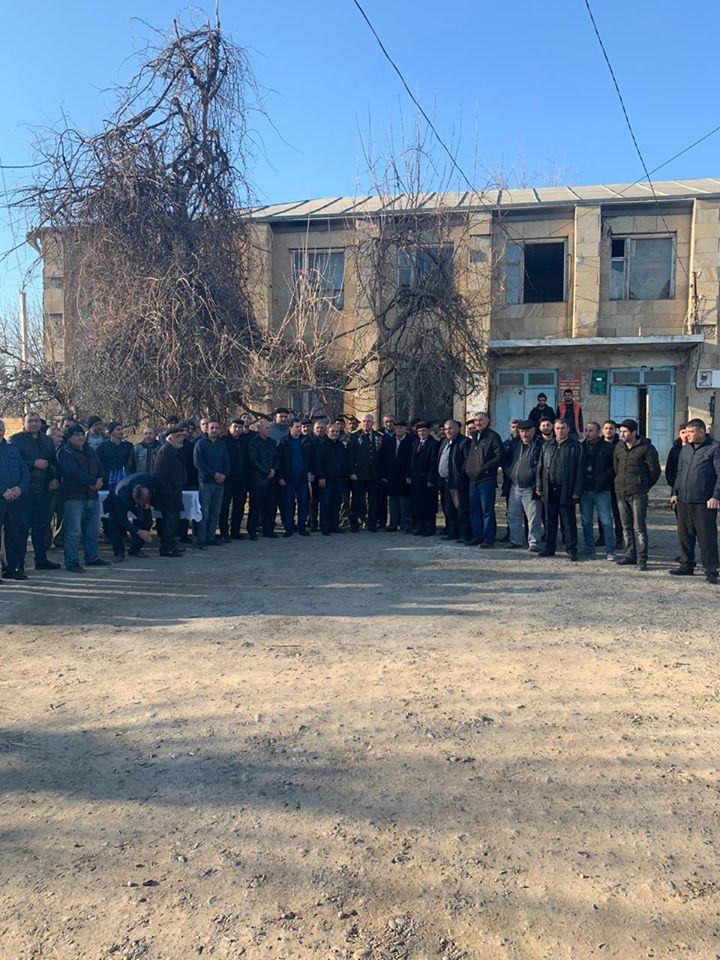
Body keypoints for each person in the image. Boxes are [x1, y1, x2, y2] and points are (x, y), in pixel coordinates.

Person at [669, 418, 720, 584]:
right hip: (684, 499)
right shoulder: (685, 450)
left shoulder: (714, 448)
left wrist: (716, 496)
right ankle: (686, 564)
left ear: (702, 432)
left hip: (704, 501)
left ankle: (711, 570)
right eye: (686, 432)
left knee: (707, 537)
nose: (688, 435)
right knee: (684, 535)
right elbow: (680, 472)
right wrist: (675, 492)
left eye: (691, 432)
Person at [10, 411, 61, 572]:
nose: (33, 423)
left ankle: (41, 560)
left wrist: (54, 478)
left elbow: (53, 463)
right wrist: (33, 463)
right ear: (24, 423)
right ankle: (19, 563)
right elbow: (13, 464)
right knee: (23, 528)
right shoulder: (15, 440)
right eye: (30, 421)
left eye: (36, 421)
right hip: (25, 491)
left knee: (41, 527)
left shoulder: (46, 440)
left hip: (44, 490)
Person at [57, 425, 109, 573]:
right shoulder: (65, 452)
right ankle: (72, 562)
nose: (80, 437)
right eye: (76, 435)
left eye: (81, 434)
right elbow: (72, 472)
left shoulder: (90, 450)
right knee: (74, 531)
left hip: (92, 496)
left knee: (92, 529)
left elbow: (100, 467)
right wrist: (92, 482)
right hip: (74, 496)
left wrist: (100, 480)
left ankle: (92, 557)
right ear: (69, 438)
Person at [613, 419, 661, 571]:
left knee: (639, 527)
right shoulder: (619, 447)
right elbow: (616, 467)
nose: (622, 434)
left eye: (625, 432)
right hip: (621, 491)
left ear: (634, 432)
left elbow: (655, 471)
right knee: (625, 526)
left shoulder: (647, 448)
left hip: (638, 493)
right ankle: (630, 555)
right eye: (621, 431)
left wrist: (643, 485)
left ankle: (642, 559)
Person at [535, 418, 584, 561]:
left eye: (563, 428)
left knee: (568, 521)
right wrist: (539, 486)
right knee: (549, 520)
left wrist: (576, 491)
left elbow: (580, 471)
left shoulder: (575, 446)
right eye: (557, 428)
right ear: (554, 429)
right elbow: (540, 468)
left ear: (568, 429)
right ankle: (549, 548)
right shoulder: (547, 446)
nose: (560, 431)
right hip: (549, 488)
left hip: (567, 489)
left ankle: (571, 549)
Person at [464, 411, 503, 548]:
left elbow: (499, 456)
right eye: (476, 420)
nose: (477, 423)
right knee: (474, 510)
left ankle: (488, 539)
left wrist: (485, 467)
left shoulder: (493, 437)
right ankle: (477, 536)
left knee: (487, 511)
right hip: (473, 481)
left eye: (480, 420)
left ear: (488, 421)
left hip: (486, 480)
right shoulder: (475, 437)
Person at [580, 421, 616, 561]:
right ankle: (589, 547)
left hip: (601, 490)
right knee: (586, 521)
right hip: (585, 489)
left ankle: (610, 550)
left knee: (606, 521)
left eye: (591, 431)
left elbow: (613, 467)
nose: (588, 433)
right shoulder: (581, 447)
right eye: (586, 430)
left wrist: (604, 479)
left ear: (598, 432)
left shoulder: (608, 447)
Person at [506, 420, 543, 552]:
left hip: (530, 487)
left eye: (527, 431)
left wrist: (529, 474)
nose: (524, 434)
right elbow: (506, 460)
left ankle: (534, 543)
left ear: (533, 431)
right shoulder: (515, 445)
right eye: (522, 431)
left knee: (533, 518)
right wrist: (510, 472)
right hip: (515, 486)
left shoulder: (539, 446)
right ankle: (515, 541)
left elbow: (541, 466)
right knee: (513, 515)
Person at [0, 418, 30, 582]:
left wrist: (19, 488)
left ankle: (11, 569)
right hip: (1, 498)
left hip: (14, 500)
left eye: (1, 429)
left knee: (14, 535)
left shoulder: (12, 448)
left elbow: (24, 471)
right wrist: (3, 490)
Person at [193, 419, 230, 547]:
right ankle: (201, 539)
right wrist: (214, 474)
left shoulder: (222, 444)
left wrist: (224, 475)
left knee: (215, 511)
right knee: (204, 511)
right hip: (206, 482)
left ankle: (211, 537)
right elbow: (198, 463)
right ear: (207, 429)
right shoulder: (200, 444)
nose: (214, 430)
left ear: (219, 430)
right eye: (212, 428)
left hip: (220, 483)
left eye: (216, 428)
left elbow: (227, 461)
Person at [152, 425, 186, 557]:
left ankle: (171, 544)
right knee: (169, 522)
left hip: (175, 492)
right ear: (170, 438)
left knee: (174, 521)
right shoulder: (165, 451)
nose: (181, 439)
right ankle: (166, 548)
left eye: (181, 436)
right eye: (178, 436)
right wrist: (168, 491)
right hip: (168, 494)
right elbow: (160, 474)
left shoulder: (175, 450)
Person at [347, 414, 383, 532]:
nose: (366, 423)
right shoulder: (354, 436)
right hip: (359, 475)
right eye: (364, 421)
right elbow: (350, 456)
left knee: (373, 501)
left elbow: (381, 455)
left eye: (368, 421)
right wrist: (351, 472)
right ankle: (354, 524)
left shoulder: (379, 436)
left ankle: (372, 524)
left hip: (374, 475)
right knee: (357, 500)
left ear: (373, 422)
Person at [106, 473, 155, 561]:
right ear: (135, 500)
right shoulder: (120, 495)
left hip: (140, 497)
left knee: (147, 521)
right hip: (115, 501)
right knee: (115, 524)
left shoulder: (149, 480)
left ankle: (135, 549)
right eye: (140, 503)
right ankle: (118, 553)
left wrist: (148, 503)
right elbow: (123, 520)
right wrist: (139, 531)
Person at [437, 420, 471, 542]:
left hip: (457, 482)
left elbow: (467, 461)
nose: (448, 431)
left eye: (451, 428)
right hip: (445, 481)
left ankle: (465, 534)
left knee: (460, 509)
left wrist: (460, 476)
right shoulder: (445, 442)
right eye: (446, 429)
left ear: (457, 429)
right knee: (448, 509)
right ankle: (452, 532)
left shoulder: (464, 442)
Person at [277, 418, 312, 536]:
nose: (299, 429)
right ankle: (289, 527)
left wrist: (310, 473)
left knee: (303, 503)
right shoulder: (284, 441)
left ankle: (302, 527)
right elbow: (278, 461)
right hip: (288, 478)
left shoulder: (306, 440)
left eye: (300, 427)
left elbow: (311, 458)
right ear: (290, 428)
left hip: (302, 478)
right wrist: (280, 477)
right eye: (296, 427)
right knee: (288, 504)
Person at [314, 422, 348, 535]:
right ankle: (325, 526)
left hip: (339, 479)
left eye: (337, 432)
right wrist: (321, 476)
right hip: (326, 480)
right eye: (332, 431)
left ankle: (334, 525)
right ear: (327, 432)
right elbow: (318, 463)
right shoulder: (322, 445)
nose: (335, 433)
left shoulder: (340, 445)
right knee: (326, 504)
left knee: (336, 504)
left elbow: (344, 461)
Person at [247, 419, 279, 540]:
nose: (269, 430)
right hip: (258, 480)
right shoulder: (253, 443)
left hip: (271, 479)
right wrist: (266, 472)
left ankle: (268, 529)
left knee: (270, 506)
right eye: (267, 428)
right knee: (255, 506)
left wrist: (273, 470)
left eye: (270, 428)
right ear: (260, 429)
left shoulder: (272, 442)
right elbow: (253, 460)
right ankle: (252, 530)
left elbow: (277, 458)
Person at [219, 418, 251, 541]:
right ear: (229, 427)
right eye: (235, 426)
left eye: (240, 427)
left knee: (239, 506)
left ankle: (235, 531)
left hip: (242, 479)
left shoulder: (244, 441)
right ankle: (224, 532)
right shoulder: (223, 441)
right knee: (225, 507)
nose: (237, 429)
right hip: (227, 479)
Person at [380, 419, 413, 533]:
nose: (398, 430)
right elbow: (384, 459)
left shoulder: (411, 441)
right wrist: (384, 475)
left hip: (404, 476)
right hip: (391, 476)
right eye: (397, 428)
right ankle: (393, 524)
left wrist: (409, 475)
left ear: (405, 429)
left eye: (401, 428)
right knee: (393, 501)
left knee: (405, 501)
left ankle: (406, 524)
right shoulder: (389, 441)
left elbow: (411, 460)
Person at [597, 420, 624, 550]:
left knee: (617, 512)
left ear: (615, 430)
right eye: (606, 428)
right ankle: (602, 537)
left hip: (615, 484)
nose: (608, 431)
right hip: (601, 483)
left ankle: (619, 538)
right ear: (602, 430)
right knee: (602, 512)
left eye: (611, 428)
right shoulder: (598, 444)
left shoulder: (620, 445)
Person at [409, 421, 439, 536]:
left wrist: (431, 479)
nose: (421, 433)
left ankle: (430, 528)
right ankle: (420, 527)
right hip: (416, 478)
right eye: (419, 431)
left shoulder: (433, 443)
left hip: (427, 479)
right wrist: (408, 475)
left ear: (428, 431)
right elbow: (410, 460)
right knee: (418, 503)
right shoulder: (415, 443)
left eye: (424, 431)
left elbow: (433, 463)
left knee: (428, 504)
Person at [96, 421, 133, 490]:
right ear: (111, 432)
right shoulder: (103, 447)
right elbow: (97, 464)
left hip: (123, 482)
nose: (121, 432)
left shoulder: (128, 446)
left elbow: (132, 463)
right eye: (118, 429)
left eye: (122, 429)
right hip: (107, 483)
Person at [500, 419, 520, 541]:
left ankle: (526, 534)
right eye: (513, 427)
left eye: (517, 427)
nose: (515, 429)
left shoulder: (526, 443)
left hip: (524, 480)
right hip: (509, 481)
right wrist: (509, 472)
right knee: (510, 510)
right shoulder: (506, 444)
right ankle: (510, 532)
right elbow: (503, 461)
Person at [308, 419, 328, 532]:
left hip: (326, 476)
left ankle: (324, 524)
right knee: (313, 502)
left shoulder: (328, 442)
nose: (320, 430)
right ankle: (313, 524)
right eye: (318, 428)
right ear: (314, 429)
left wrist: (323, 476)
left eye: (322, 428)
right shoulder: (309, 441)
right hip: (313, 476)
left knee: (325, 502)